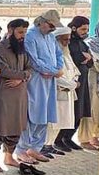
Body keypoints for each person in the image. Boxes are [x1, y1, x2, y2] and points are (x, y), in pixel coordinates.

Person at [16, 10, 64, 165]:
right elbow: (33, 60)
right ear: (41, 22)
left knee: (45, 115)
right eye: (50, 25)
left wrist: (57, 69)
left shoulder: (51, 37)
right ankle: (21, 150)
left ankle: (35, 148)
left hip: (50, 81)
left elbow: (59, 54)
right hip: (36, 80)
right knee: (32, 114)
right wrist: (52, 71)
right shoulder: (30, 36)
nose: (52, 29)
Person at [0, 19, 32, 172]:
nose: (22, 36)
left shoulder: (23, 47)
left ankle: (9, 156)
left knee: (16, 127)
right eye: (19, 32)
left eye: (24, 32)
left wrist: (21, 78)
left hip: (20, 95)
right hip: (3, 95)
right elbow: (3, 71)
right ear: (10, 30)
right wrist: (23, 76)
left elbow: (30, 68)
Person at [42, 27, 79, 158]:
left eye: (68, 40)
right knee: (52, 121)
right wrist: (72, 84)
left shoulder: (66, 54)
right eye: (64, 40)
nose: (67, 43)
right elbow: (55, 75)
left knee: (61, 121)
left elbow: (75, 71)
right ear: (57, 39)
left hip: (68, 92)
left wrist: (74, 82)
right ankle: (44, 146)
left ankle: (50, 145)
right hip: (56, 92)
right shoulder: (51, 55)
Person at [62, 16, 93, 152]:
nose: (85, 32)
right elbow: (73, 59)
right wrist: (84, 58)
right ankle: (60, 139)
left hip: (83, 82)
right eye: (82, 29)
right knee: (71, 110)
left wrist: (88, 59)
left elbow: (91, 61)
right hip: (72, 81)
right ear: (74, 28)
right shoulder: (69, 42)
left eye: (86, 29)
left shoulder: (83, 43)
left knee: (80, 111)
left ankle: (69, 138)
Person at [82, 18, 99, 149]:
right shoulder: (90, 44)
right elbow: (96, 65)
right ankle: (85, 138)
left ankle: (95, 137)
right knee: (91, 110)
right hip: (93, 83)